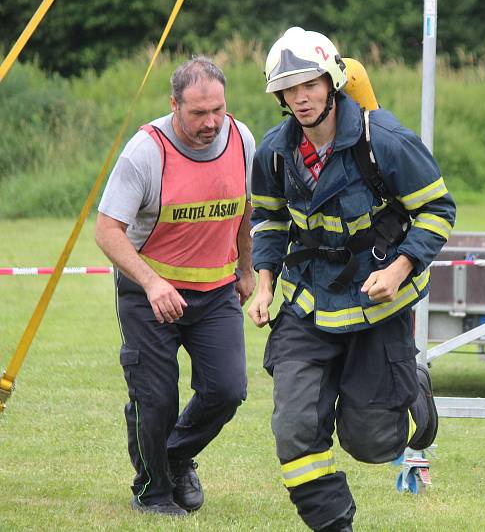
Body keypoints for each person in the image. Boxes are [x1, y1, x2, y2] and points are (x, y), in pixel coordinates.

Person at [247, 27, 456, 532]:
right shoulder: (275, 152)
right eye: (289, 89)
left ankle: (412, 390)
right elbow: (270, 222)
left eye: (310, 84)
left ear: (332, 81)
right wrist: (264, 283)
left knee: (371, 442)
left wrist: (400, 267)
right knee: (294, 428)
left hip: (375, 307)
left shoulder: (384, 140)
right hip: (306, 304)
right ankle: (333, 523)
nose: (300, 97)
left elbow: (438, 210)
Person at [95, 56, 256, 516]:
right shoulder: (145, 152)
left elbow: (244, 210)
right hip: (151, 296)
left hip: (216, 293)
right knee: (156, 398)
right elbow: (107, 231)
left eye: (217, 111)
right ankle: (154, 492)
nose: (210, 124)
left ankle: (173, 457)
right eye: (198, 113)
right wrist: (151, 284)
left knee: (227, 390)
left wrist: (246, 270)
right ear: (174, 106)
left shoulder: (242, 140)